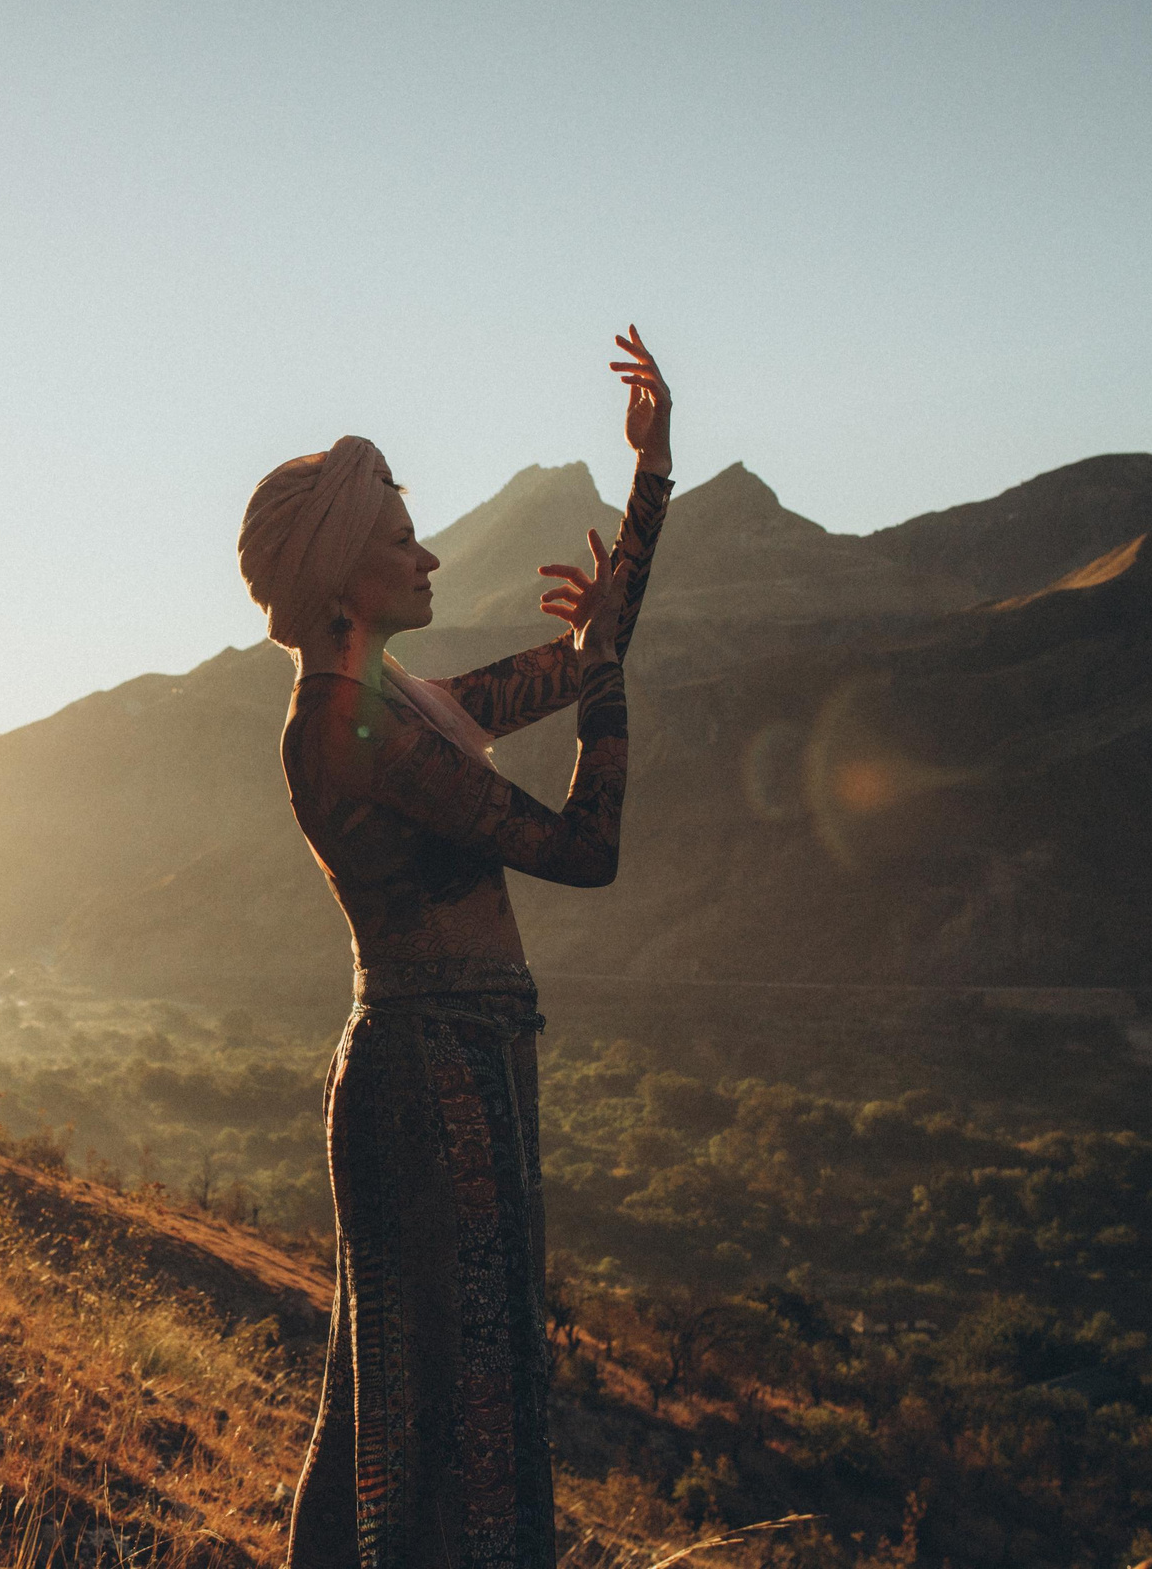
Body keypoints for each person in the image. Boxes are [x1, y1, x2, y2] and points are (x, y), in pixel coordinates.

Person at [237, 329, 675, 1568]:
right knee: (455, 1411)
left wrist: (649, 478)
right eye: (398, 542)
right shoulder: (351, 731)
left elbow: (588, 655)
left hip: (457, 1063)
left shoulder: (397, 705)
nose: (427, 556)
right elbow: (583, 847)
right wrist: (610, 708)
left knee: (416, 1397)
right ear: (338, 581)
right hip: (429, 1074)